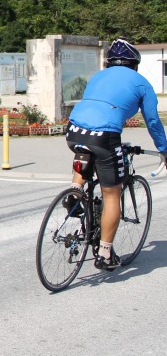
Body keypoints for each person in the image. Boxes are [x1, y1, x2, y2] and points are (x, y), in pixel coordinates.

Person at [65, 37, 167, 271]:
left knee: (85, 153)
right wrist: (164, 150)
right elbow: (152, 121)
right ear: (135, 65)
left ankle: (74, 192)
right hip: (105, 136)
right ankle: (105, 253)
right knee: (112, 195)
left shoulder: (98, 76)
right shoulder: (142, 83)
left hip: (73, 131)